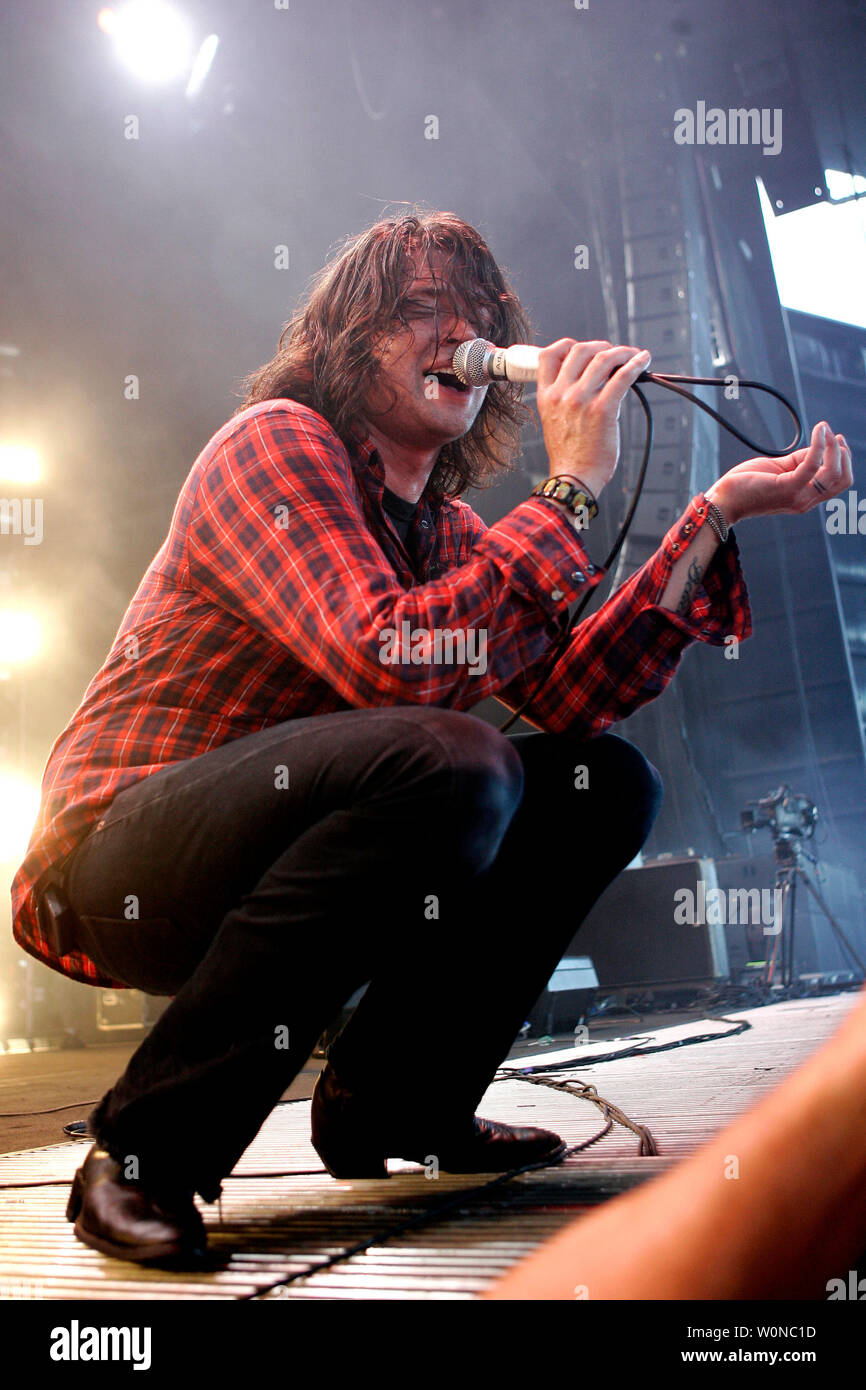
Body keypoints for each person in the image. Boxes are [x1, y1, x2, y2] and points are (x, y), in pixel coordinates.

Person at [9, 211, 851, 1266]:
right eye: (418, 309)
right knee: (454, 759)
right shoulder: (274, 443)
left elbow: (571, 694)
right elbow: (382, 657)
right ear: (344, 338)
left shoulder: (444, 532)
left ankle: (393, 1106)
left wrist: (718, 510)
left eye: (478, 315)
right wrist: (569, 484)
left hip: (283, 855)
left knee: (597, 781)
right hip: (119, 849)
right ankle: (140, 1156)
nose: (458, 332)